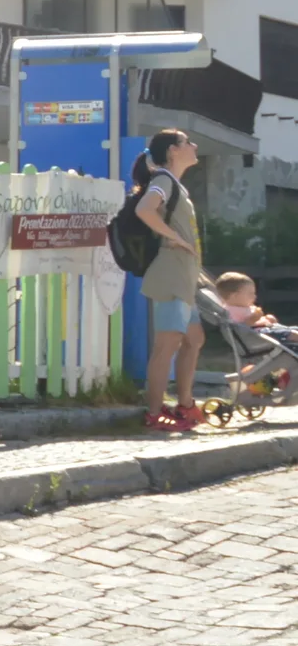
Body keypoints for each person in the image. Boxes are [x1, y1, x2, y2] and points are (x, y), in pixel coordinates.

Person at [135, 129, 206, 432]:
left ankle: (185, 404)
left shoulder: (175, 185)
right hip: (171, 276)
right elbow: (143, 210)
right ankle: (154, 413)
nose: (194, 145)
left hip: (184, 277)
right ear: (173, 150)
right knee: (168, 344)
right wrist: (174, 237)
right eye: (187, 142)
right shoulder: (163, 180)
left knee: (195, 339)